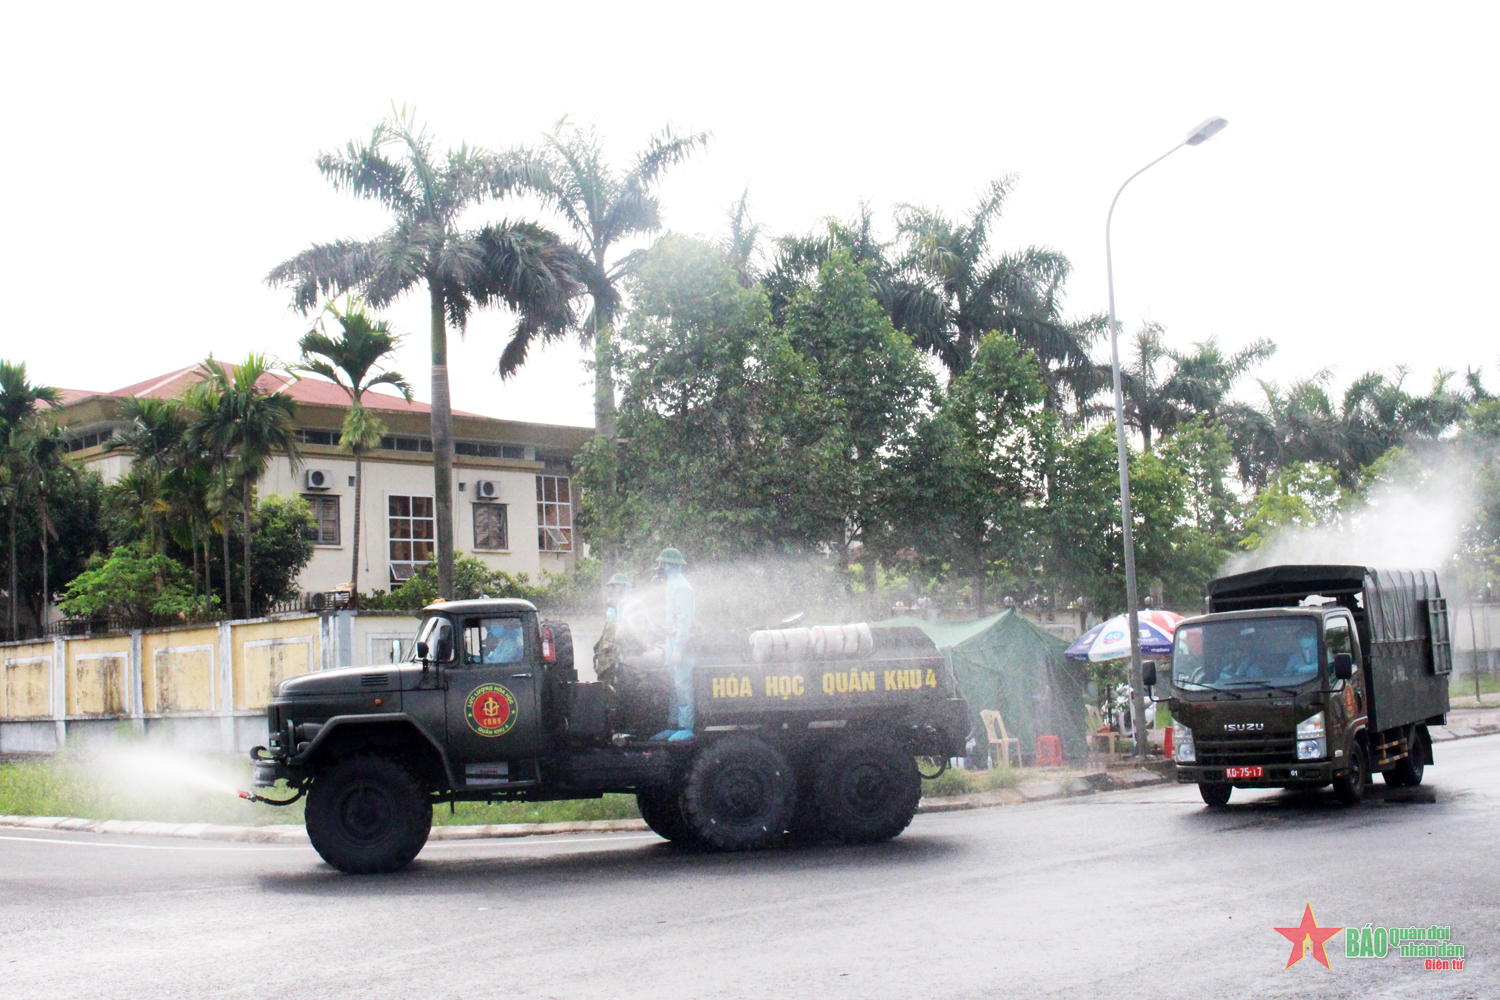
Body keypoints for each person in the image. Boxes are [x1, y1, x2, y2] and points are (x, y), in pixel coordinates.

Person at [653, 547, 695, 741]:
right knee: (672, 684)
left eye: (663, 563)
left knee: (682, 684)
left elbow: (685, 620)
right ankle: (674, 724)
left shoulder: (682, 587)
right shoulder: (671, 585)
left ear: (670, 565)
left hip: (681, 643)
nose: (660, 567)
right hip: (671, 640)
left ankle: (686, 726)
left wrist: (678, 648)